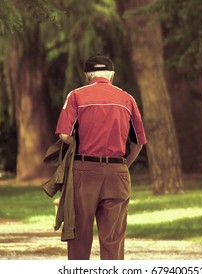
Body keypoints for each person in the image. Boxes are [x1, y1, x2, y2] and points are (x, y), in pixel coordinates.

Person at [55, 54, 147, 260]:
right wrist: (124, 166)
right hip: (117, 173)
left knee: (79, 237)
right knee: (113, 240)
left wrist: (77, 143)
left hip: (84, 173)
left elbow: (63, 135)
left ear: (88, 75)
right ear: (112, 75)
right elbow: (139, 142)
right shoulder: (128, 99)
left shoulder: (76, 96)